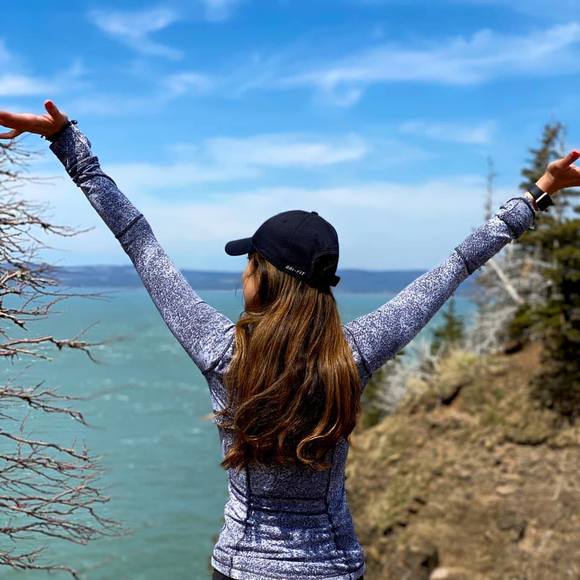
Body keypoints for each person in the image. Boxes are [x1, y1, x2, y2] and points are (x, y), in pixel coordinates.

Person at [1, 100, 579, 580]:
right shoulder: (353, 354)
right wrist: (540, 192)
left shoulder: (222, 351)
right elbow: (454, 266)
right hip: (335, 567)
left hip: (241, 568)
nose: (242, 275)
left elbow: (139, 240)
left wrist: (69, 145)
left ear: (263, 276)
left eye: (249, 263)